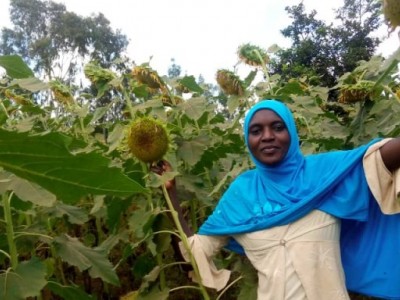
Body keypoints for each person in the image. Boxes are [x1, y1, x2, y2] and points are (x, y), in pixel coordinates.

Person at [153, 99, 400, 300]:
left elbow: (380, 158)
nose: (267, 136)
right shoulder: (241, 195)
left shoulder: (326, 176)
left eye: (278, 127)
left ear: (291, 132)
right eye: (256, 131)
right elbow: (193, 255)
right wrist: (170, 194)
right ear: (248, 141)